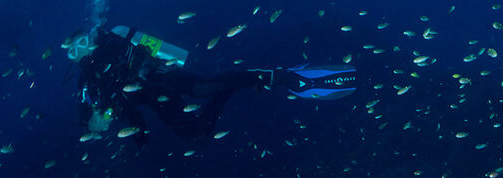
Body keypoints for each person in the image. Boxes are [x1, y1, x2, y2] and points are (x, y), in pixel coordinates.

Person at [64, 25, 356, 142]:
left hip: (165, 79)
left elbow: (154, 56)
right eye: (71, 51)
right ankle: (244, 82)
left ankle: (275, 76)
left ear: (89, 38)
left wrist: (144, 63)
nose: (78, 52)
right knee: (199, 135)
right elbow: (124, 110)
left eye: (80, 44)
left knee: (207, 88)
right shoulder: (89, 82)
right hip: (158, 101)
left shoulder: (114, 43)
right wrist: (137, 133)